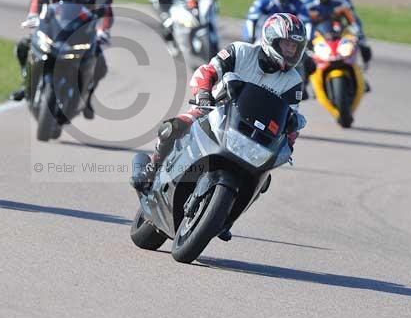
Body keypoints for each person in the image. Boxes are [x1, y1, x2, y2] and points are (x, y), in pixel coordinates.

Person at [131, 13, 309, 235]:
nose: (290, 51)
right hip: (213, 110)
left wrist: (289, 142)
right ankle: (151, 171)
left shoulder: (293, 81)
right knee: (174, 128)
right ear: (270, 38)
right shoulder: (240, 51)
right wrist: (204, 95)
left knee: (263, 179)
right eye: (286, 44)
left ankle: (225, 217)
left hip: (255, 135)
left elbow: (291, 116)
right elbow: (206, 72)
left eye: (295, 46)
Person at [10, 0, 114, 120]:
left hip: (83, 33)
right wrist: (34, 15)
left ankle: (87, 97)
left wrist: (103, 30)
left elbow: (105, 10)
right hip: (52, 27)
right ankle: (26, 82)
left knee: (101, 65)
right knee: (23, 46)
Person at [302, 0, 372, 65]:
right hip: (317, 38)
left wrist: (361, 39)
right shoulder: (307, 2)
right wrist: (306, 42)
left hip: (339, 35)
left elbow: (353, 19)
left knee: (360, 46)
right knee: (303, 62)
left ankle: (358, 76)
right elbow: (302, 22)